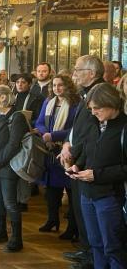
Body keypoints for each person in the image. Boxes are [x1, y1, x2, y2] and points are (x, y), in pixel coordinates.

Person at [67, 82, 127, 269]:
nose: (92, 113)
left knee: (113, 246)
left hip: (110, 196)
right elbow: (86, 151)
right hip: (87, 194)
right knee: (96, 244)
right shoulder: (94, 124)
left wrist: (97, 175)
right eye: (91, 108)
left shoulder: (124, 128)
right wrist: (77, 165)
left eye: (97, 108)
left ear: (111, 104)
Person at [59, 55, 105, 269]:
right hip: (77, 157)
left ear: (92, 73)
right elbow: (76, 126)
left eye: (78, 69)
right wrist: (67, 143)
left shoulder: (100, 93)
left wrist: (72, 154)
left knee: (88, 212)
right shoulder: (85, 94)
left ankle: (92, 257)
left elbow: (91, 133)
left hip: (86, 161)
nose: (74, 73)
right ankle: (86, 249)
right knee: (79, 208)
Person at [0, 85, 30, 252]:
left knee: (10, 203)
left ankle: (17, 239)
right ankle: (1, 231)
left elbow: (13, 145)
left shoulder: (17, 117)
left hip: (6, 167)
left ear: (3, 97)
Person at [34, 75, 79, 237]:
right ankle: (52, 219)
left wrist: (53, 136)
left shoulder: (76, 104)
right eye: (54, 85)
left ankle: (72, 227)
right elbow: (38, 122)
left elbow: (76, 130)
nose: (56, 88)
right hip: (50, 151)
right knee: (51, 190)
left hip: (68, 152)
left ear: (68, 86)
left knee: (71, 192)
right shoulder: (48, 102)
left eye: (60, 85)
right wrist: (46, 134)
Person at [13, 73, 45, 212]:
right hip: (12, 135)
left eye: (23, 82)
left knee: (23, 166)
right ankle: (13, 198)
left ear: (29, 84)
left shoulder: (36, 98)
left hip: (27, 134)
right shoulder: (12, 97)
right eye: (18, 82)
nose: (20, 84)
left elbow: (38, 118)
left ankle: (23, 200)